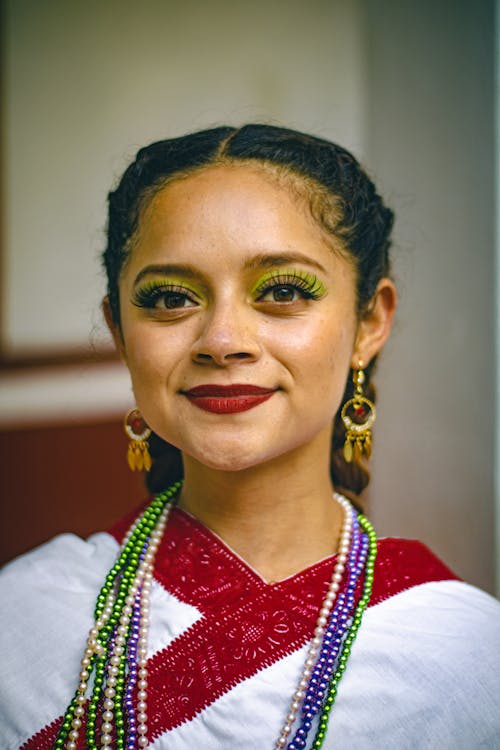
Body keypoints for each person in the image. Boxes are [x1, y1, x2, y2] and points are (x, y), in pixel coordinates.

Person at [1, 124, 499, 750]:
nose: (223, 340)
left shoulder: (466, 658)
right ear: (121, 332)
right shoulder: (22, 614)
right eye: (171, 297)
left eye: (284, 291)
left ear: (370, 321)